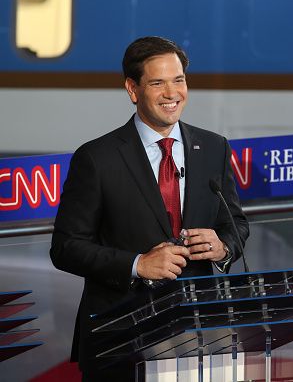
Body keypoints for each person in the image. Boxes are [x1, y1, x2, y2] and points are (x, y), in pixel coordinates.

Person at [50, 36, 249, 381]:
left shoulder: (213, 147)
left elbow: (236, 224)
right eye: (158, 82)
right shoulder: (97, 158)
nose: (172, 93)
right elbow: (66, 248)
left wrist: (222, 247)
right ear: (133, 88)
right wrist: (138, 264)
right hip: (121, 337)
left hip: (197, 334)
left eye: (179, 80)